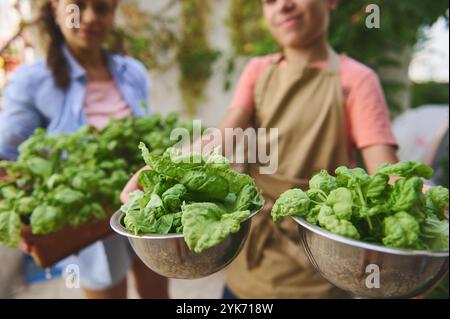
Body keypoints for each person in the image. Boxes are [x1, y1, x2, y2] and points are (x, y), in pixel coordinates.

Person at [122, 0, 403, 299]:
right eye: (269, 1)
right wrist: (167, 165)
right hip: (250, 267)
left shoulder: (357, 81)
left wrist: (422, 200)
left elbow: (387, 173)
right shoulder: (257, 71)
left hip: (319, 272)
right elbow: (225, 136)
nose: (283, 6)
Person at [0, 0, 168, 299]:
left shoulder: (132, 72)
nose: (89, 18)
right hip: (89, 221)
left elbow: (151, 134)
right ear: (55, 10)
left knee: (156, 290)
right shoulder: (32, 81)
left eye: (102, 8)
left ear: (113, 13)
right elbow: (6, 159)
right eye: (78, 6)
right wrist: (22, 221)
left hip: (147, 204)